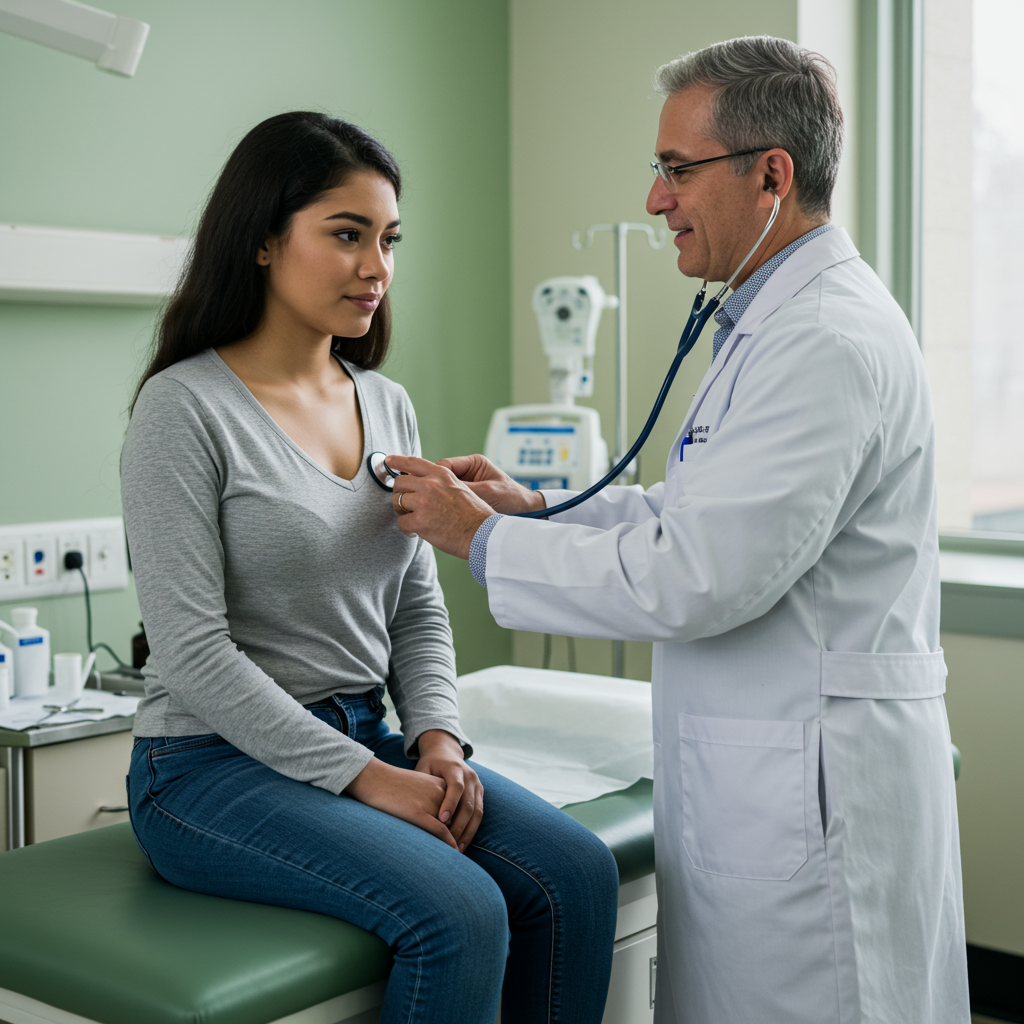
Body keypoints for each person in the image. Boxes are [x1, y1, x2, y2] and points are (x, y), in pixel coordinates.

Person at [383, 37, 971, 1024]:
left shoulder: (822, 339)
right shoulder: (773, 325)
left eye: (674, 169)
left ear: (770, 176)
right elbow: (691, 517)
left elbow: (698, 573)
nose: (655, 200)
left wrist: (479, 540)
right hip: (773, 773)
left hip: (812, 796)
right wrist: (531, 510)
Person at [120, 111, 618, 1024]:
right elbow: (192, 652)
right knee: (460, 910)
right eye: (346, 235)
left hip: (366, 737)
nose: (376, 267)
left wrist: (435, 742)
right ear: (264, 240)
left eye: (388, 240)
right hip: (207, 769)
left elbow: (416, 609)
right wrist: (365, 779)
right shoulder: (183, 408)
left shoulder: (386, 403)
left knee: (576, 875)